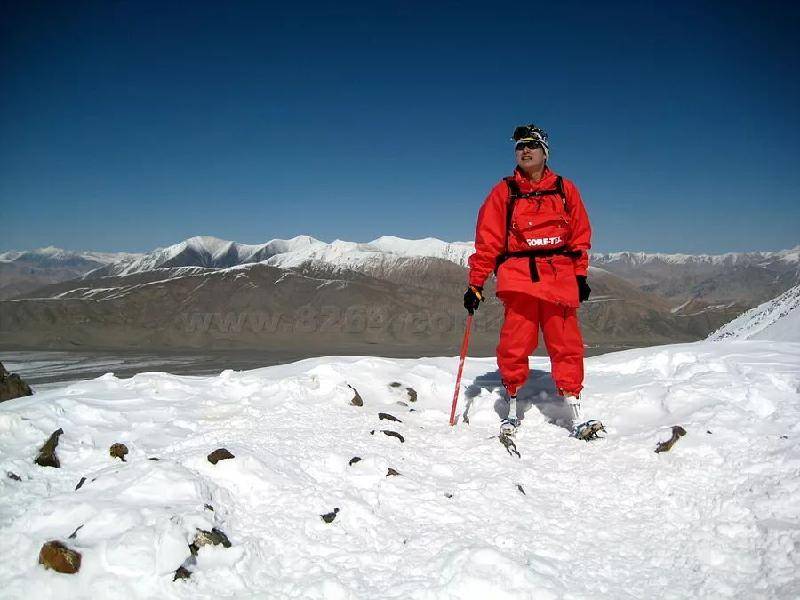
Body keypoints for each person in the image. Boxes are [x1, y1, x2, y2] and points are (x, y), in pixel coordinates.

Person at [463, 124, 604, 440]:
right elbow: (488, 241)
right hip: (519, 280)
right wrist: (476, 283)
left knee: (566, 344)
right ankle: (511, 407)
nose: (525, 151)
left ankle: (573, 407)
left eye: (532, 146)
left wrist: (580, 275)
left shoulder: (566, 190)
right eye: (520, 147)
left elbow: (580, 236)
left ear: (544, 152)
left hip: (560, 279)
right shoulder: (504, 192)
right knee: (515, 343)